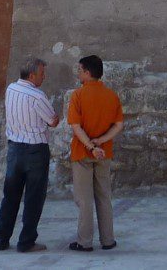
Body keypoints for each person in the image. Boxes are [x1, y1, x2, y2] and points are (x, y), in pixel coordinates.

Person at [0, 57, 58, 252]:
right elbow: (52, 121)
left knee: (10, 196)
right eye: (41, 73)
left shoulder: (11, 89)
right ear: (32, 75)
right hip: (35, 150)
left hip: (14, 148)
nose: (44, 77)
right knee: (33, 198)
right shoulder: (37, 96)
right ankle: (26, 241)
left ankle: (1, 239)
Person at [66, 54, 123, 252]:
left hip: (83, 153)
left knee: (84, 200)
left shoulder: (78, 95)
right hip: (104, 153)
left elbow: (76, 126)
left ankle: (85, 241)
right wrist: (101, 142)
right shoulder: (111, 95)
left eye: (80, 70)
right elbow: (118, 125)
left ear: (88, 73)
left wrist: (90, 146)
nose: (78, 73)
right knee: (104, 197)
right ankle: (108, 239)